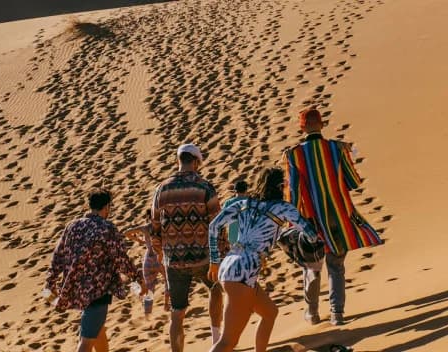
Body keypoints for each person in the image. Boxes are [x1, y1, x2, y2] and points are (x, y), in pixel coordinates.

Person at [283, 107, 382, 326]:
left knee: (312, 268)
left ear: (302, 128)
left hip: (312, 222)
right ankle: (337, 313)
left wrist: (294, 222)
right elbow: (354, 182)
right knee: (336, 266)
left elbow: (294, 193)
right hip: (340, 219)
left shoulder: (294, 155)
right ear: (321, 124)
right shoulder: (336, 149)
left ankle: (313, 313)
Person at [207, 167, 319, 352]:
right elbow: (311, 234)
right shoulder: (282, 208)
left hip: (230, 263)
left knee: (269, 312)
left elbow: (213, 227)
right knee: (228, 342)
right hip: (244, 271)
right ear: (279, 186)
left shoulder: (244, 203)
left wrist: (214, 261)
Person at [45, 188, 146, 352]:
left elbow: (58, 256)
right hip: (98, 290)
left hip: (76, 289)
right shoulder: (107, 228)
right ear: (107, 207)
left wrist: (50, 282)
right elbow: (120, 259)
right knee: (86, 340)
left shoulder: (72, 226)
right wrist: (138, 279)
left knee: (97, 330)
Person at [151, 143, 228, 351]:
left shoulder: (161, 189)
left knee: (177, 313)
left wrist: (160, 253)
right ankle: (216, 340)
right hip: (203, 256)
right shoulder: (204, 187)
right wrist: (221, 251)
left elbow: (155, 227)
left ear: (179, 161)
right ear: (195, 162)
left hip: (174, 260)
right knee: (215, 289)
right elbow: (217, 223)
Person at [123, 210, 170, 311]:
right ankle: (166, 305)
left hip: (149, 259)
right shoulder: (162, 227)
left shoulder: (145, 228)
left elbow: (126, 233)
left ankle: (147, 312)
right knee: (168, 281)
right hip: (161, 259)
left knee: (149, 288)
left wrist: (138, 240)